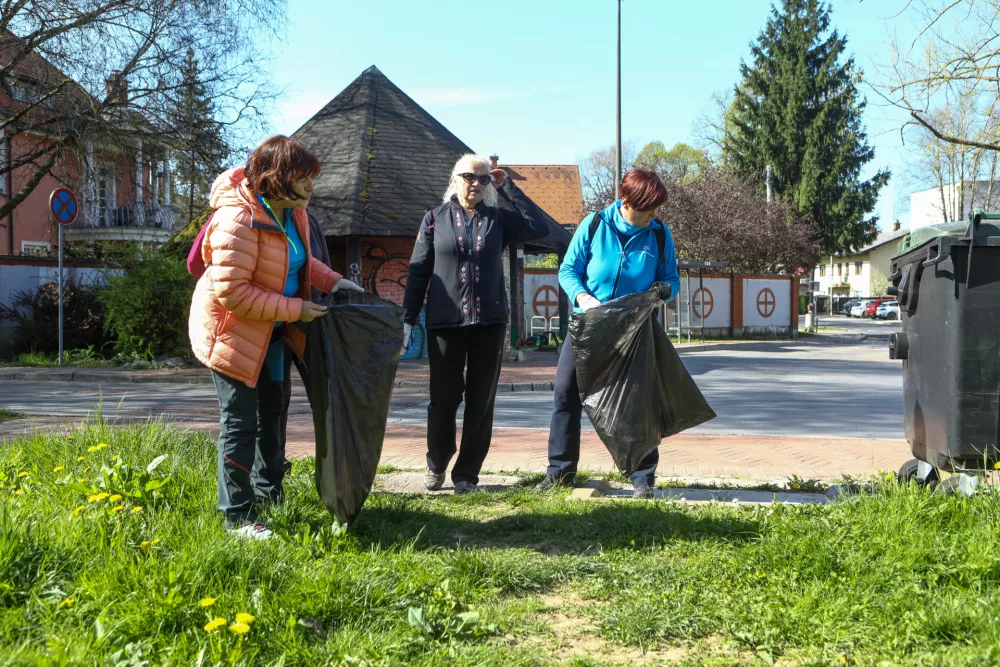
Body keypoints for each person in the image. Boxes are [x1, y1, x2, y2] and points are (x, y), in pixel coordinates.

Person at [188, 135, 363, 540]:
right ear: (277, 177)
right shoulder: (238, 220)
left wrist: (335, 282)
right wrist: (296, 310)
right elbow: (233, 294)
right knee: (240, 421)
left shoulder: (293, 213)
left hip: (273, 332)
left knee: (275, 412)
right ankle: (236, 515)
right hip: (231, 333)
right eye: (304, 178)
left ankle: (270, 494)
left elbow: (300, 260)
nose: (311, 186)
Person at [403, 153, 549, 494]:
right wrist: (408, 318)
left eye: (484, 179)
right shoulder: (433, 219)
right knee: (443, 399)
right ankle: (436, 463)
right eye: (470, 176)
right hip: (445, 323)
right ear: (455, 178)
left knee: (481, 400)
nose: (476, 184)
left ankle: (466, 474)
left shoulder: (499, 219)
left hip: (489, 323)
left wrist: (507, 185)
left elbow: (540, 227)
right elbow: (417, 271)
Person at [538, 169, 680, 499]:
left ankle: (643, 479)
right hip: (588, 327)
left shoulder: (659, 235)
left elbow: (672, 279)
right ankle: (559, 472)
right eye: (650, 209)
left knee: (639, 404)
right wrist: (583, 297)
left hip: (634, 331)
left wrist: (661, 291)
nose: (654, 216)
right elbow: (568, 270)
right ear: (628, 201)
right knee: (565, 395)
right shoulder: (594, 225)